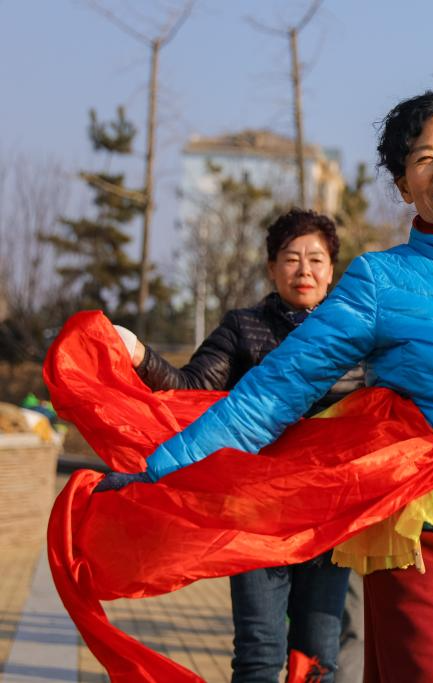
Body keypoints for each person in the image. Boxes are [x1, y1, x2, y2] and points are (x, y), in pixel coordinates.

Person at [99, 89, 433, 683]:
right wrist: (161, 471)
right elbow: (274, 390)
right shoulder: (380, 280)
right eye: (424, 158)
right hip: (418, 527)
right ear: (404, 185)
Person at [114, 208, 361, 683]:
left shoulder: (354, 334)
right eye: (291, 258)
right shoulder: (244, 327)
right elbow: (190, 391)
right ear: (271, 267)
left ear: (331, 270)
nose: (304, 270)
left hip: (327, 516)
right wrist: (139, 356)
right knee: (259, 655)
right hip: (255, 515)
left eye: (316, 259)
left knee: (317, 659)